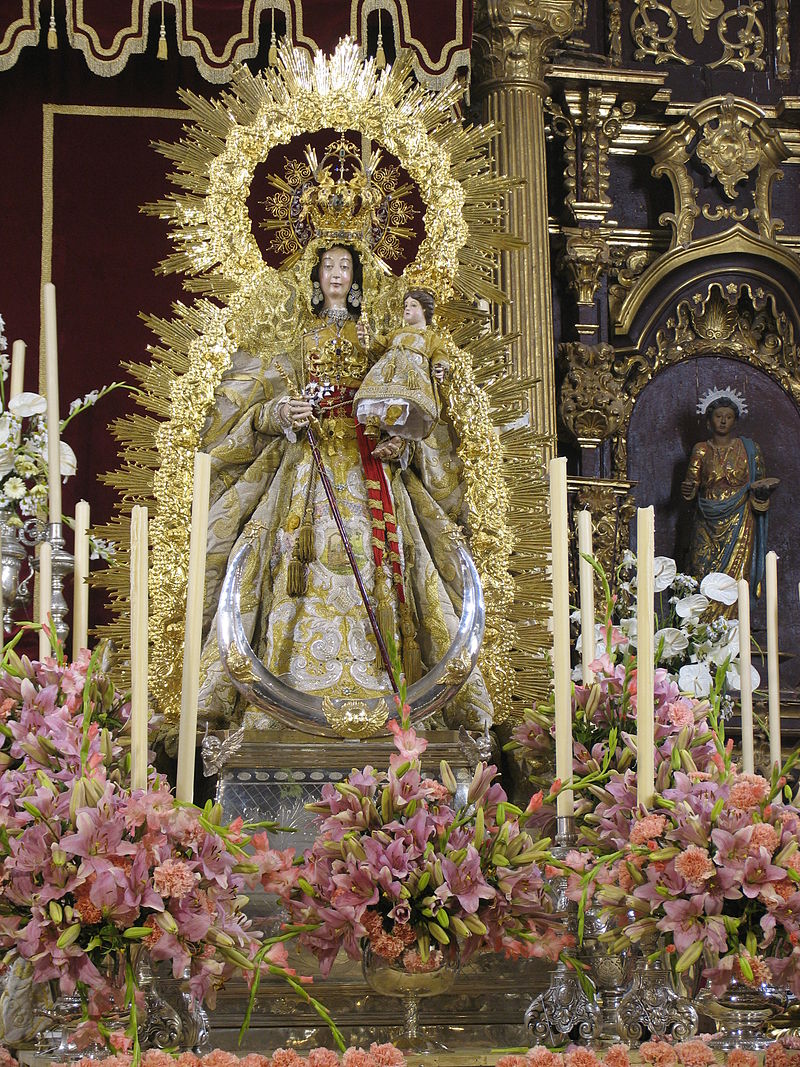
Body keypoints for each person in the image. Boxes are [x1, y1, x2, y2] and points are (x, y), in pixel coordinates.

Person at [196, 245, 493, 729]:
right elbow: (249, 413)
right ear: (316, 276)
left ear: (356, 279)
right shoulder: (294, 342)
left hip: (366, 466)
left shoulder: (378, 341)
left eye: (345, 267)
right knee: (283, 559)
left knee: (388, 561)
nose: (336, 274)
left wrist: (401, 441)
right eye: (328, 266)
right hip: (304, 468)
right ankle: (286, 690)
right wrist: (281, 413)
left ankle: (388, 686)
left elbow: (405, 407)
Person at [680, 388, 775, 615]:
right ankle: (700, 625)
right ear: (709, 419)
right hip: (706, 518)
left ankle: (734, 627)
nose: (723, 421)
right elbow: (690, 486)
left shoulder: (750, 450)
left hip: (740, 519)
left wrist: (761, 493)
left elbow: (761, 486)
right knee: (700, 567)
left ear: (735, 420)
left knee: (736, 576)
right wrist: (688, 489)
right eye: (718, 416)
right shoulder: (701, 450)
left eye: (728, 416)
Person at [354, 288, 448, 455]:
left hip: (410, 374)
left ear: (424, 310)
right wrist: (368, 335)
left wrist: (440, 367)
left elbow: (439, 354)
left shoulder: (430, 337)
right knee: (375, 393)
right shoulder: (397, 333)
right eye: (406, 305)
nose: (407, 309)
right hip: (387, 371)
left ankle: (395, 413)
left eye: (413, 305)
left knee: (401, 395)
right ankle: (373, 422)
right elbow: (381, 344)